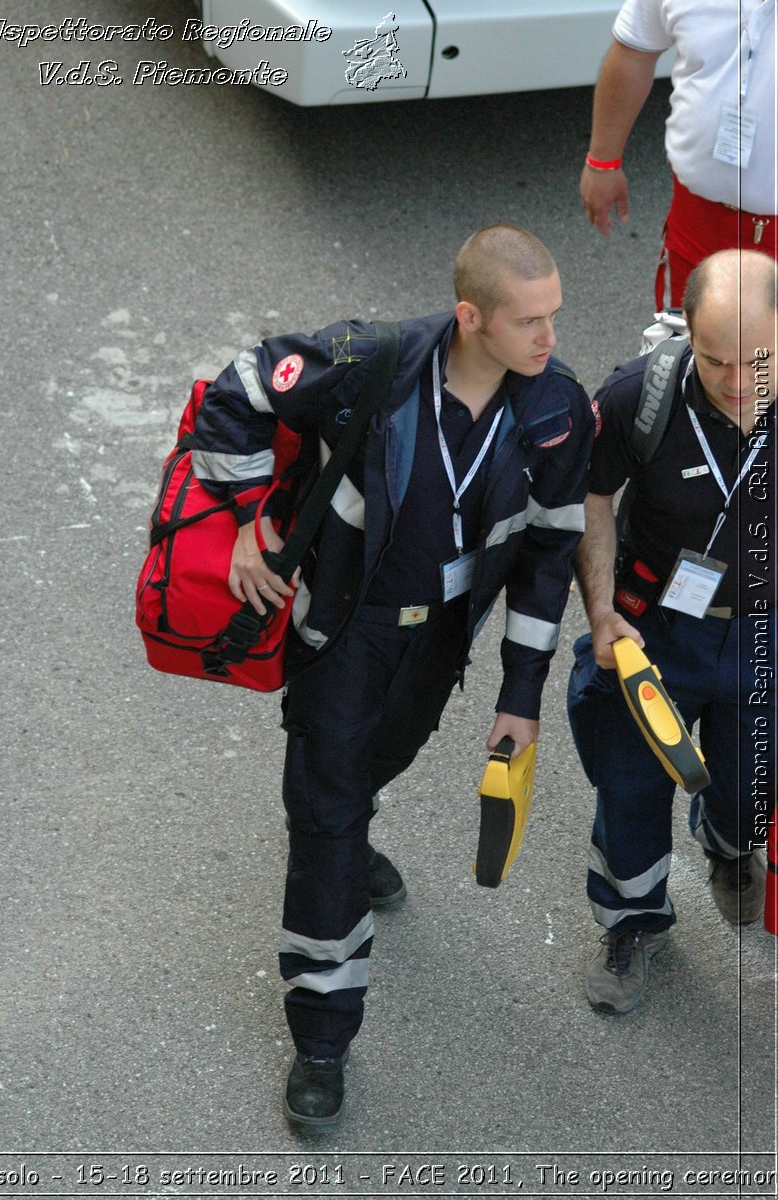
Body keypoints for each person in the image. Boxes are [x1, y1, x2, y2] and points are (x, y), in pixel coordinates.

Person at [191, 224, 596, 1128]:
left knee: (370, 768)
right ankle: (323, 1037)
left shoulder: (556, 410)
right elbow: (242, 389)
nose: (549, 338)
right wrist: (242, 518)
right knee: (327, 814)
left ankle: (343, 815)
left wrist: (519, 698)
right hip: (348, 633)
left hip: (439, 643)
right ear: (470, 317)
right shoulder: (368, 362)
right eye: (529, 321)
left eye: (554, 316)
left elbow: (546, 557)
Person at [567, 248, 776, 1015]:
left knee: (755, 781)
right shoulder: (637, 398)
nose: (735, 382)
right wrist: (599, 611)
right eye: (715, 358)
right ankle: (630, 923)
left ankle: (728, 845)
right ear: (686, 329)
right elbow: (588, 494)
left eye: (758, 360)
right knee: (628, 786)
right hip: (654, 631)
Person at [579, 0, 777, 307]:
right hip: (697, 220)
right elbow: (633, 52)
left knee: (763, 355)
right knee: (684, 345)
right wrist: (602, 162)